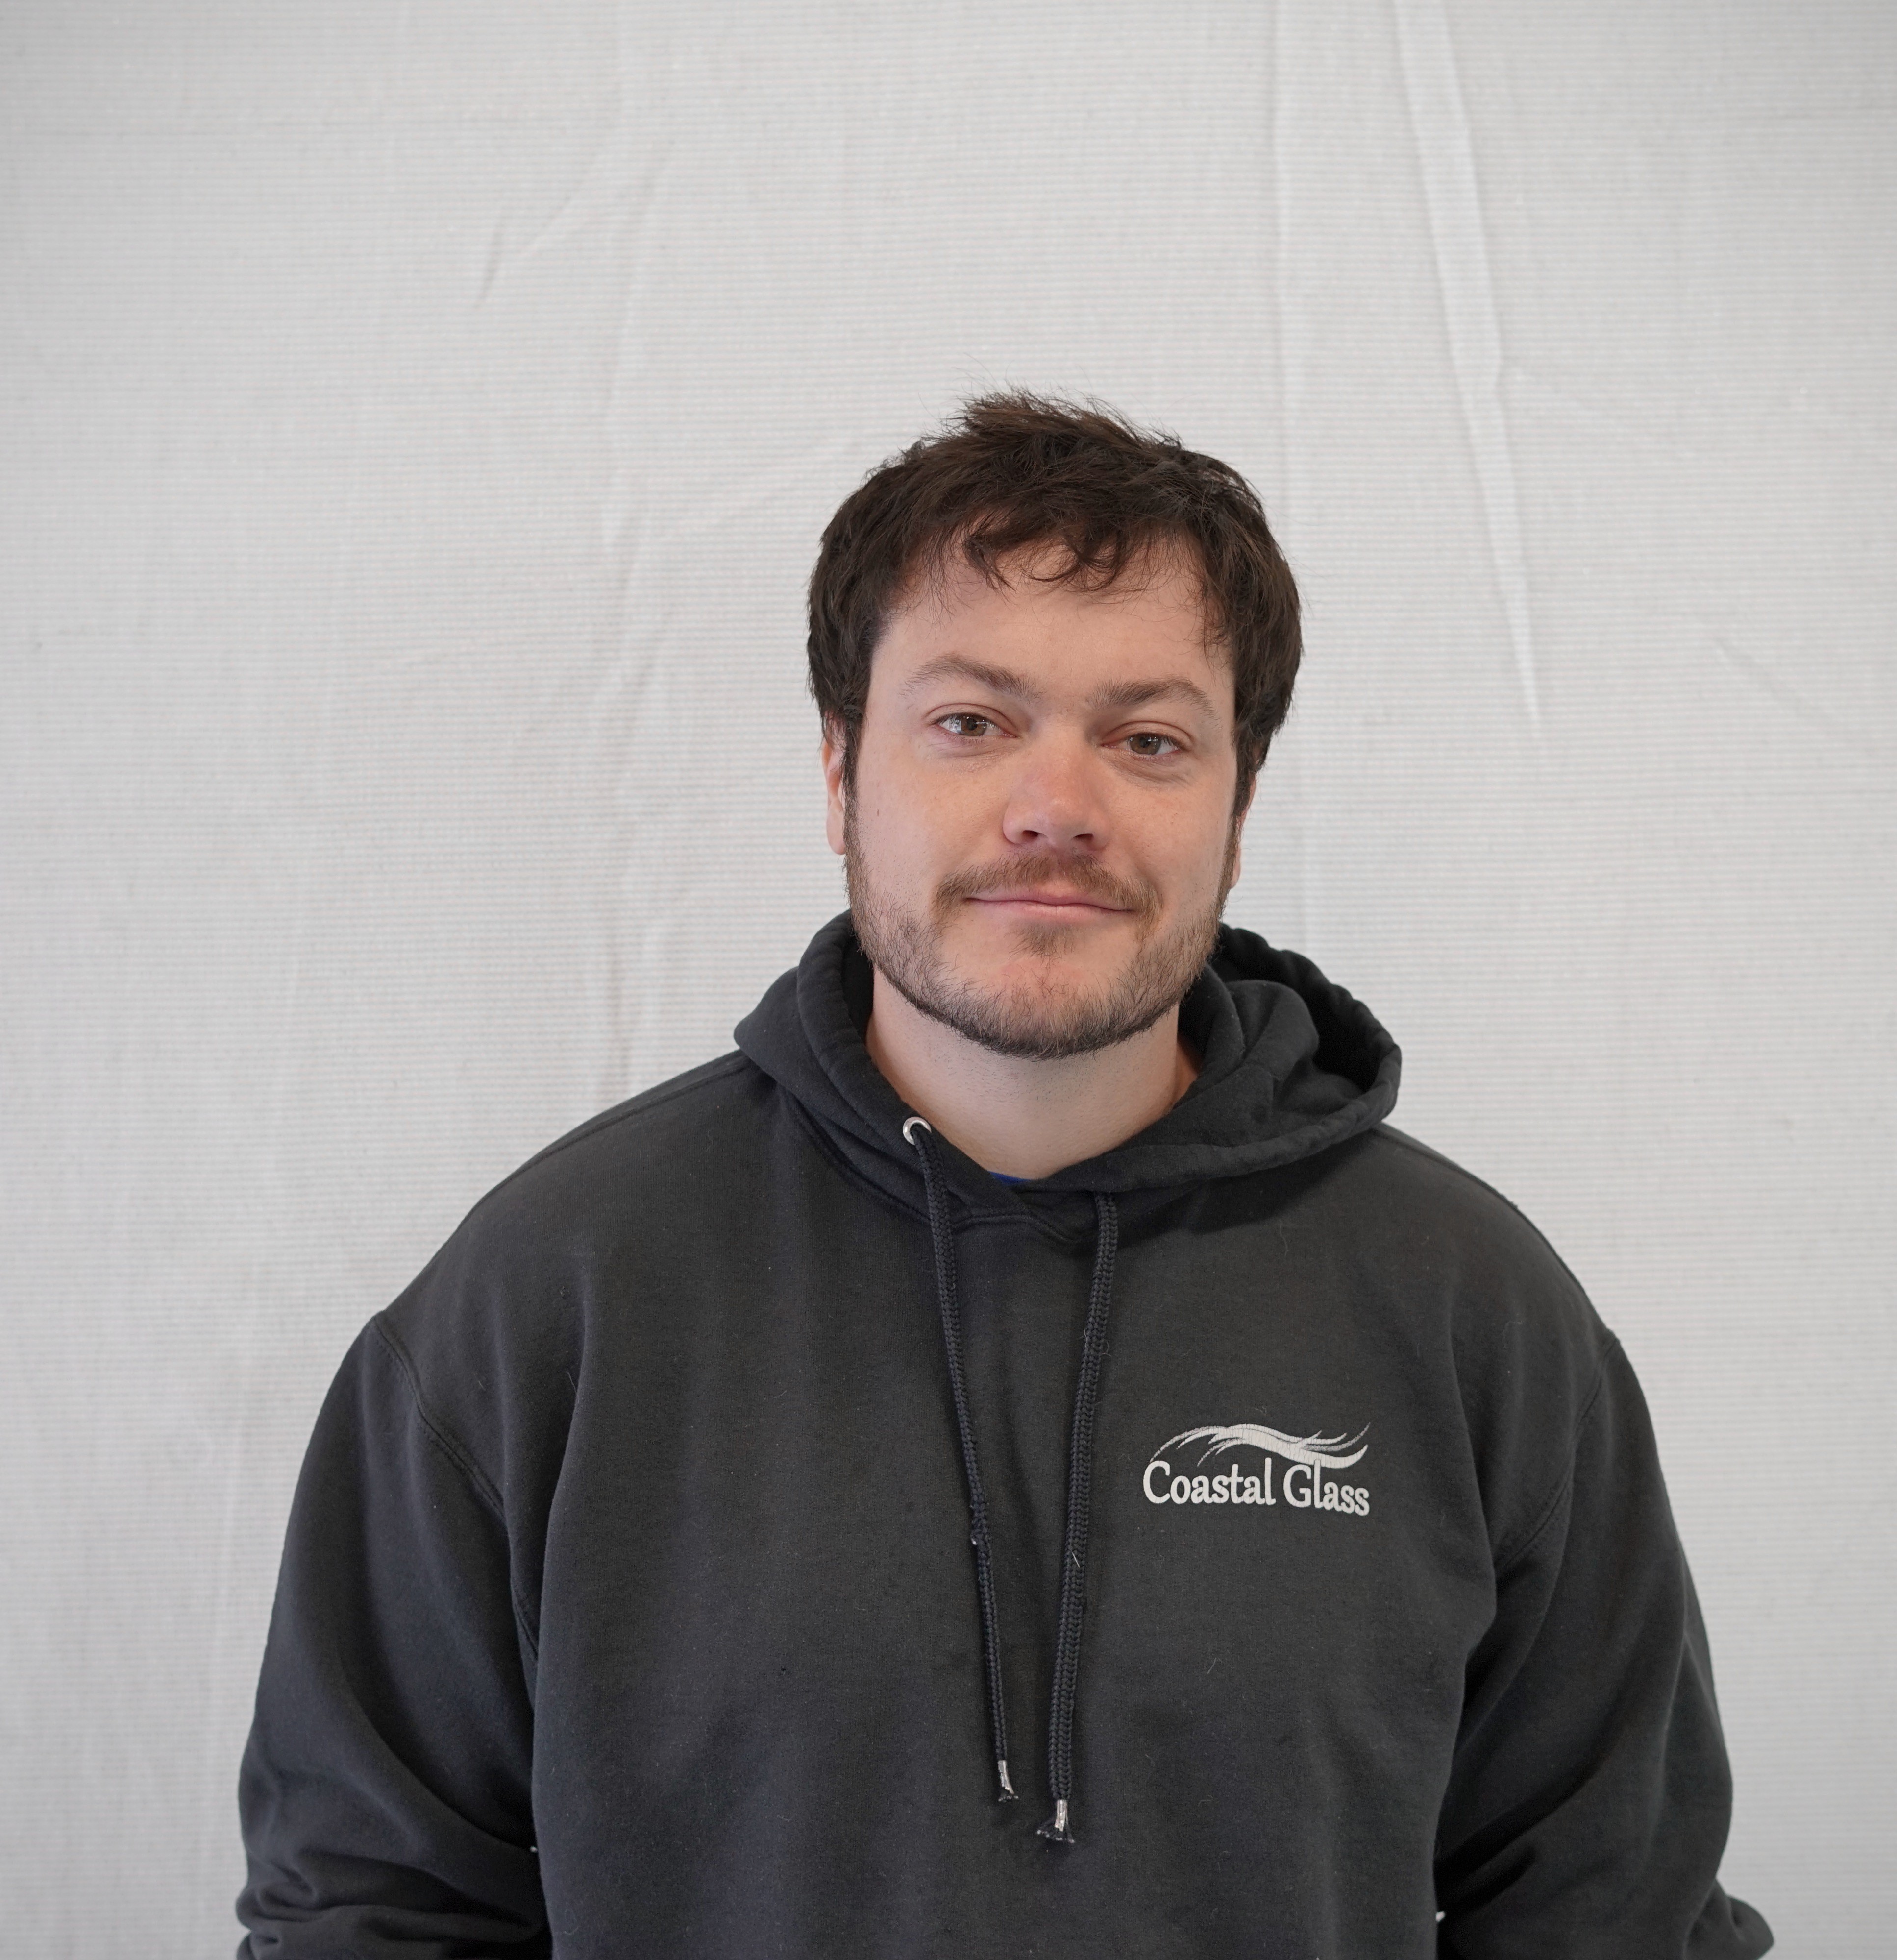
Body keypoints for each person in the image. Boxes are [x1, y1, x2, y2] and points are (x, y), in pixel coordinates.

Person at [235, 393, 1773, 1958]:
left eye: (1148, 739)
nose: (1058, 809)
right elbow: (371, 1912)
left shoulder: (1470, 1313)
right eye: (971, 724)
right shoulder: (546, 1300)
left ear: (1238, 811)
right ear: (840, 774)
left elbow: (1613, 1915)